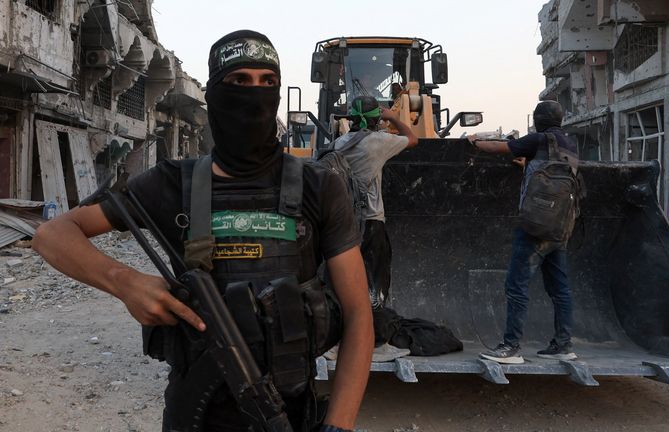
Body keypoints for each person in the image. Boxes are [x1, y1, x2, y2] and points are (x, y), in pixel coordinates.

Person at [32, 30, 373, 432]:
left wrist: (339, 426)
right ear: (214, 94)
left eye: (268, 82)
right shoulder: (172, 184)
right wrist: (124, 282)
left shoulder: (319, 186)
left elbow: (357, 313)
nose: (255, 94)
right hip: (195, 416)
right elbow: (52, 235)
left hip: (291, 414)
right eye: (239, 81)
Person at [467, 100, 577, 364]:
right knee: (559, 288)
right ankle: (563, 345)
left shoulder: (537, 139)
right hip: (561, 226)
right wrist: (526, 167)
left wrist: (474, 141)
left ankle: (511, 347)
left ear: (539, 120)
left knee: (517, 285)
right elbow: (552, 175)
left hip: (535, 227)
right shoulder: (569, 144)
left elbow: (499, 147)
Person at [333, 95, 417, 361]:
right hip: (370, 223)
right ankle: (377, 343)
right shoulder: (378, 142)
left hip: (342, 224)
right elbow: (413, 139)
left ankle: (335, 342)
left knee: (340, 282)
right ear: (375, 119)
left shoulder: (339, 143)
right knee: (375, 283)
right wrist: (393, 118)